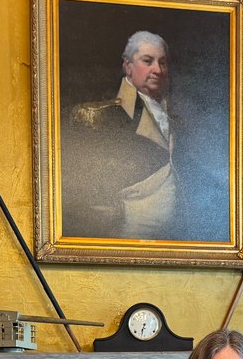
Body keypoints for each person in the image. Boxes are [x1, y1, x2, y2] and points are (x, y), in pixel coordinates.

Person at [61, 30, 227, 242]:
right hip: (122, 238)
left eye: (163, 63)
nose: (157, 69)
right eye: (147, 61)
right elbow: (78, 189)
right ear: (128, 66)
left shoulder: (177, 116)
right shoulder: (96, 115)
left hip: (173, 239)